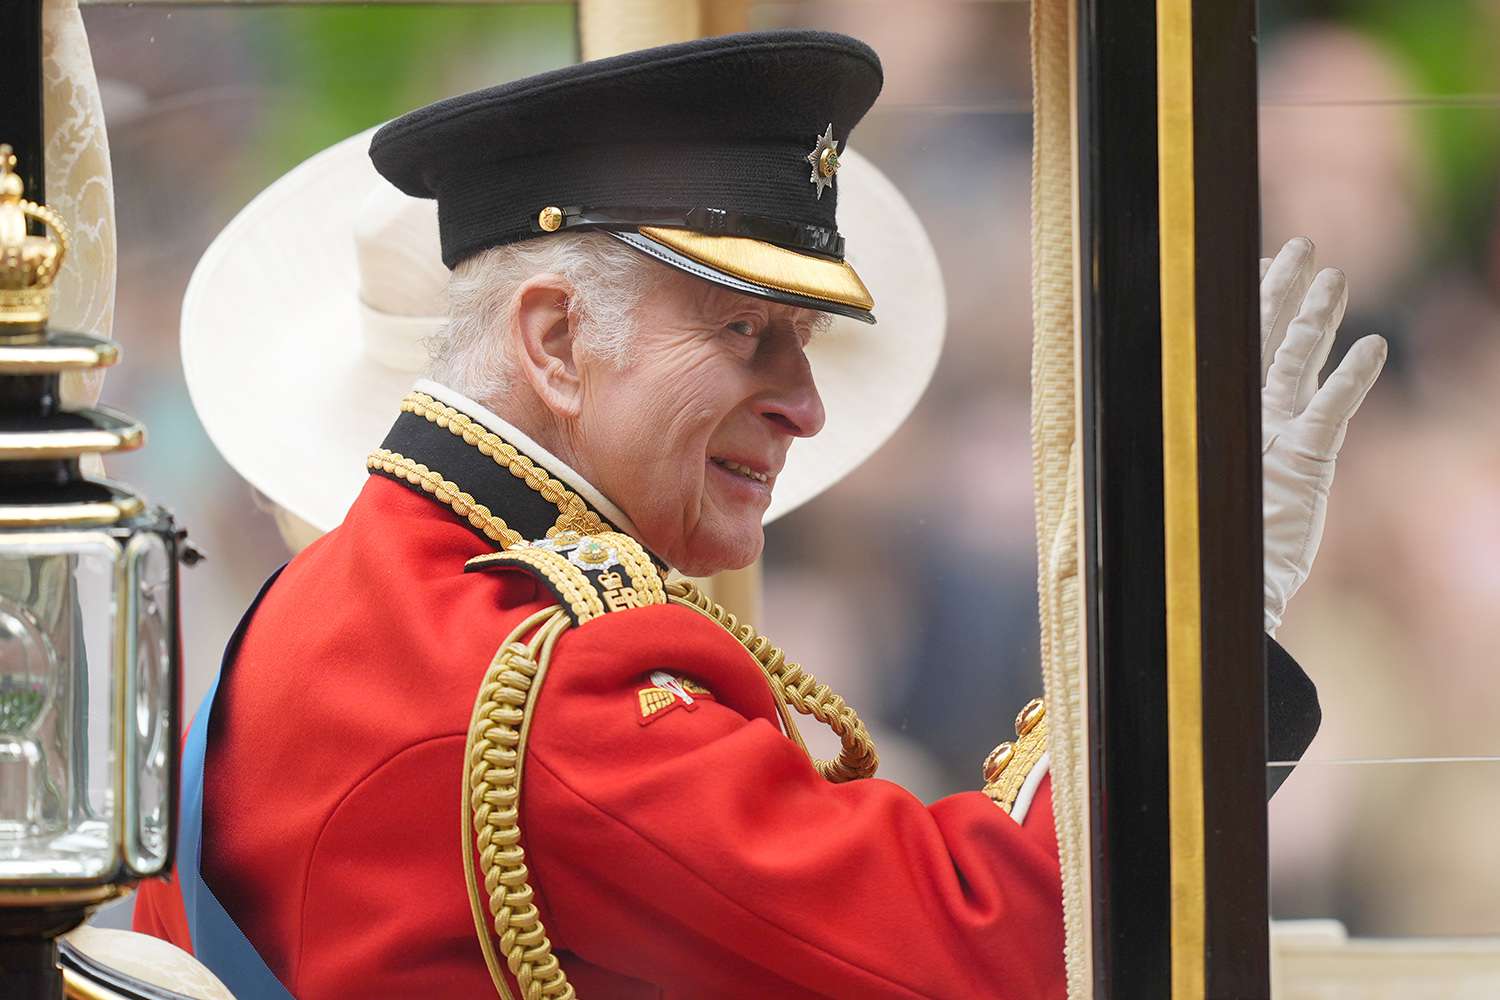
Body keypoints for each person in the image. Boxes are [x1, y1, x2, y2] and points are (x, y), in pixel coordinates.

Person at [133, 31, 1385, 999]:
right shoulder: (547, 688)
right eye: (747, 335)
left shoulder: (376, 585)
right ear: (557, 342)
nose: (804, 406)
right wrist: (1205, 610)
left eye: (805, 342)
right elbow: (1002, 949)